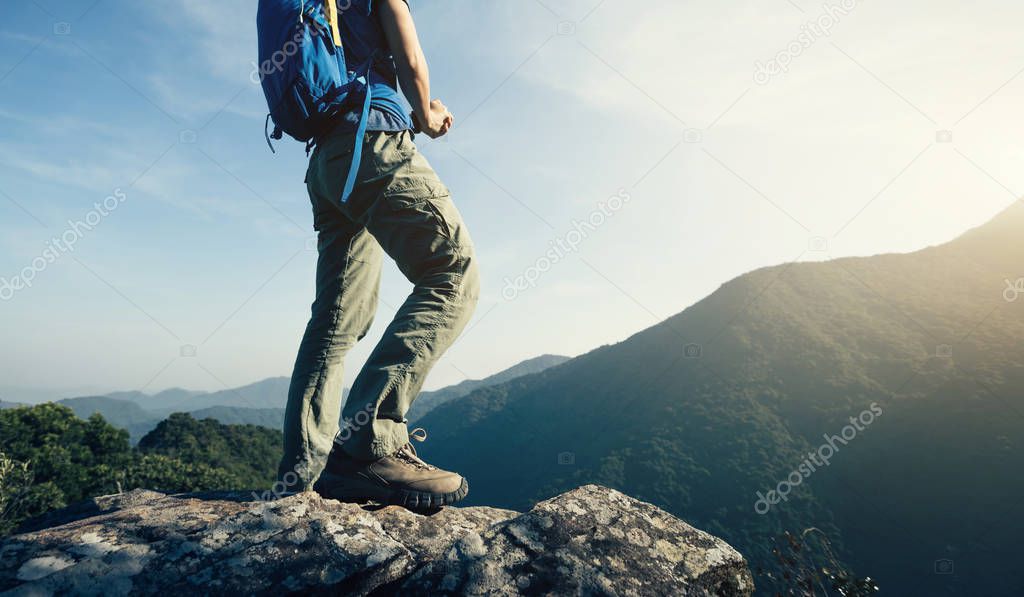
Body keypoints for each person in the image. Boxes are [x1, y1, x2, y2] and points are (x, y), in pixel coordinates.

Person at [277, 0, 479, 508]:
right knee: (451, 272)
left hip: (327, 161)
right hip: (373, 141)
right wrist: (429, 113)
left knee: (337, 318)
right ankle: (371, 443)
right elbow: (410, 59)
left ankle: (305, 470)